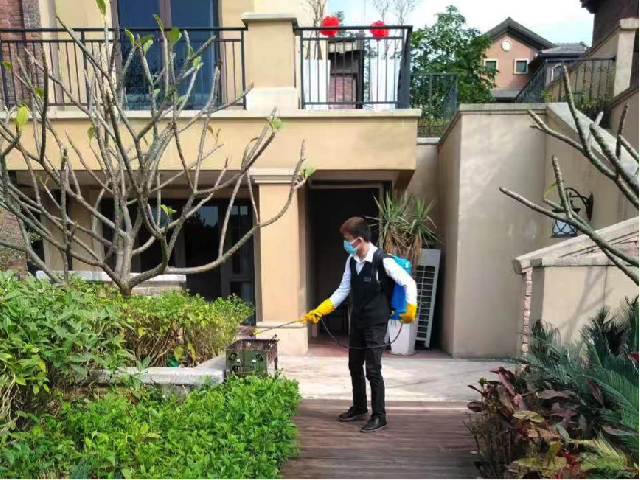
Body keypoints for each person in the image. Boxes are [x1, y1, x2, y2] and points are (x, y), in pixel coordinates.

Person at [300, 217, 418, 433]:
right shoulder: (352, 260)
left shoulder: (382, 260)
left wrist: (411, 308)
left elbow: (408, 282)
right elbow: (343, 290)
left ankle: (379, 416)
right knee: (354, 366)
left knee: (373, 369)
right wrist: (321, 310)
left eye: (348, 240)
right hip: (357, 320)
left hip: (376, 322)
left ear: (359, 240)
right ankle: (359, 407)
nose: (346, 244)